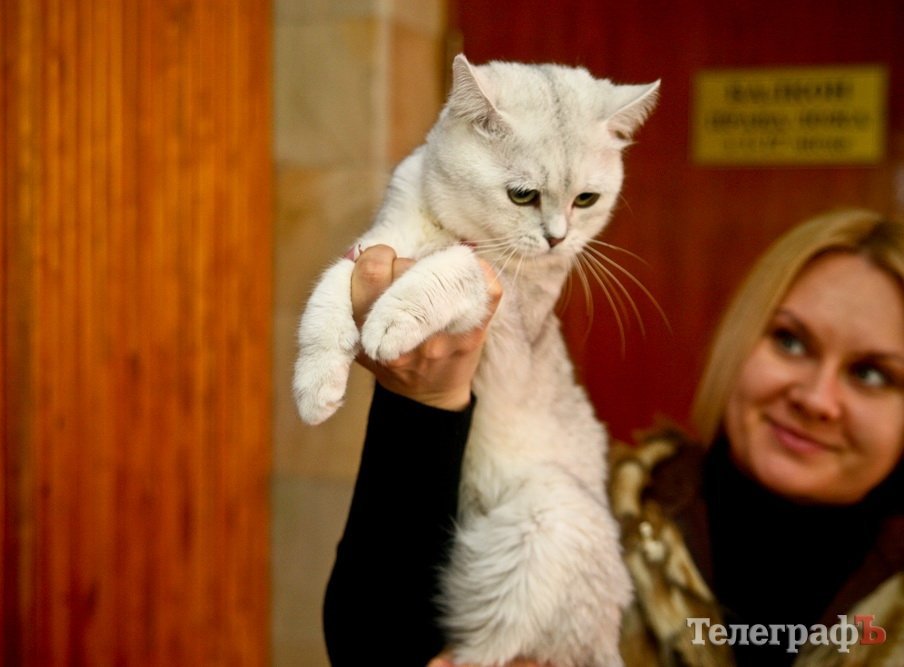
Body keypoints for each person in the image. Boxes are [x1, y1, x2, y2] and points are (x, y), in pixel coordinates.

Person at [322, 209, 904, 666]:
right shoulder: (587, 507)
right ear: (742, 340)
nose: (816, 399)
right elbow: (377, 647)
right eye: (791, 342)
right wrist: (422, 404)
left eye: (872, 374)